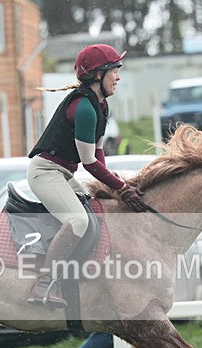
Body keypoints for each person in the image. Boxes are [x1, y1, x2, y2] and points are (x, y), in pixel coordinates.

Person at [26, 44, 149, 307]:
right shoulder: (83, 108)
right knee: (78, 222)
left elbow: (99, 151)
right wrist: (121, 188)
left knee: (99, 210)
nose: (118, 77)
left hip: (62, 173)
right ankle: (43, 284)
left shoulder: (101, 106)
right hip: (45, 173)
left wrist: (113, 187)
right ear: (97, 75)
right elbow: (89, 163)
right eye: (114, 71)